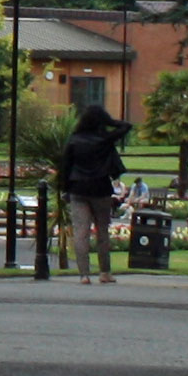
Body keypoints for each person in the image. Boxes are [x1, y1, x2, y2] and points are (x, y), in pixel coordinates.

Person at [60, 105, 133, 285]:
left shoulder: (74, 140)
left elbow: (65, 167)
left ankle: (84, 274)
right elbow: (127, 126)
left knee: (81, 232)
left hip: (78, 188)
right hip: (100, 187)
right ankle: (104, 272)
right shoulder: (104, 139)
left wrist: (64, 189)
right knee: (102, 231)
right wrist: (110, 122)